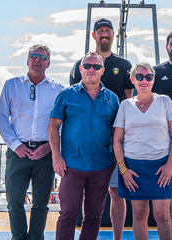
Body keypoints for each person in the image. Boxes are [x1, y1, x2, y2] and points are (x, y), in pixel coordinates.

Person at [69, 18, 133, 239]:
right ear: (94, 35)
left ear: (113, 35)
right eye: (100, 31)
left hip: (114, 142)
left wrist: (123, 140)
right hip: (84, 146)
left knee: (117, 194)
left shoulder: (124, 66)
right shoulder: (79, 64)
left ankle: (117, 238)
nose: (104, 34)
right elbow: (73, 104)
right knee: (81, 198)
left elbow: (128, 104)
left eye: (108, 30)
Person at [0, 44, 64, 240]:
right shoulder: (11, 85)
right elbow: (1, 117)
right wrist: (16, 146)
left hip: (45, 153)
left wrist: (49, 147)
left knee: (41, 202)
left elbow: (63, 123)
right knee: (14, 201)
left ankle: (36, 238)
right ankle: (18, 237)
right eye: (33, 56)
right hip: (18, 153)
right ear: (27, 61)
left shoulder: (58, 90)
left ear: (48, 63)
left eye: (42, 58)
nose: (37, 60)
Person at [49, 52, 120, 240]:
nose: (91, 69)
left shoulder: (112, 99)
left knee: (94, 216)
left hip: (103, 166)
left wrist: (117, 160)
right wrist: (56, 156)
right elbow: (53, 126)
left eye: (96, 67)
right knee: (67, 214)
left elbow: (118, 134)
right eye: (87, 65)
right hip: (72, 165)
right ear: (80, 69)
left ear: (102, 71)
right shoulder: (65, 95)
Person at [112, 62, 172, 240]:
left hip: (161, 165)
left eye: (148, 77)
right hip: (134, 167)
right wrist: (123, 170)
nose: (144, 80)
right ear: (132, 80)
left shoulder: (165, 101)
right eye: (140, 77)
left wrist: (169, 165)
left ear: (153, 80)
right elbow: (117, 140)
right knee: (139, 214)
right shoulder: (125, 106)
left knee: (162, 215)